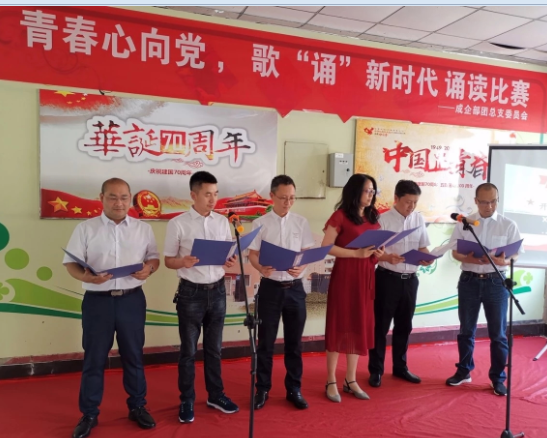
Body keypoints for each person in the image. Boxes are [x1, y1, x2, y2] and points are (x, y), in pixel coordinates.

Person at [64, 178, 160, 438]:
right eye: (113, 197)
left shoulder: (143, 229)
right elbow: (70, 263)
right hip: (98, 302)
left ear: (131, 199)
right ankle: (89, 414)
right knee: (94, 358)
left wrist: (148, 269)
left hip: (132, 300)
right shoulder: (85, 228)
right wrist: (85, 277)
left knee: (134, 356)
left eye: (124, 197)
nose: (119, 203)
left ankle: (137, 406)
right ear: (102, 198)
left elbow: (154, 259)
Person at [164, 171, 239, 424]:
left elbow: (226, 254)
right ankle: (186, 399)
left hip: (218, 290)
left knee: (214, 349)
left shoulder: (222, 222)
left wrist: (229, 260)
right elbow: (168, 261)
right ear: (193, 195)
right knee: (188, 351)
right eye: (207, 194)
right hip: (190, 293)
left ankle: (215, 395)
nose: (213, 199)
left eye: (215, 194)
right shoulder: (178, 223)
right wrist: (182, 262)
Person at [445, 182, 522, 396]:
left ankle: (498, 378)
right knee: (466, 330)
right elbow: (455, 252)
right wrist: (468, 258)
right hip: (469, 280)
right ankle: (464, 371)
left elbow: (516, 253)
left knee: (498, 334)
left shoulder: (508, 224)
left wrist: (505, 261)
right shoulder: (465, 223)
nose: (489, 206)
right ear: (476, 201)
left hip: (496, 282)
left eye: (493, 201)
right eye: (484, 202)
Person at [248, 175, 315, 410]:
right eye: (284, 198)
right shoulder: (260, 223)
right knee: (266, 343)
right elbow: (253, 254)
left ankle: (294, 389)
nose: (288, 203)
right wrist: (260, 268)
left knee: (294, 344)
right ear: (272, 197)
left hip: (295, 289)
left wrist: (301, 267)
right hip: (270, 288)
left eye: (292, 198)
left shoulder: (301, 222)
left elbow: (306, 253)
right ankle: (262, 389)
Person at [321, 173, 385, 403]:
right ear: (355, 191)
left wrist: (378, 253)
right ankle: (331, 379)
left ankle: (351, 379)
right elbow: (326, 247)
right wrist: (356, 253)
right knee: (339, 324)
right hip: (345, 276)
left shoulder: (373, 216)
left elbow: (374, 250)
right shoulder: (340, 216)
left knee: (359, 324)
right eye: (367, 190)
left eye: (373, 191)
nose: (371, 195)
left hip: (365, 277)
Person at [368, 180, 433, 388]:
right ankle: (376, 370)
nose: (411, 206)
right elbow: (372, 251)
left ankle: (400, 367)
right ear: (396, 198)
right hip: (387, 278)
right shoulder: (382, 220)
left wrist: (428, 257)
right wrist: (387, 257)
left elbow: (423, 247)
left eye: (415, 202)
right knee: (380, 326)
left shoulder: (418, 219)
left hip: (410, 280)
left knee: (405, 326)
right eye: (407, 202)